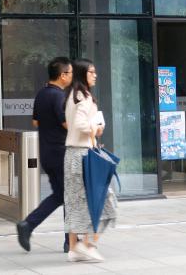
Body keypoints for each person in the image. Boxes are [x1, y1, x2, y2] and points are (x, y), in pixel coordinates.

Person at [16, 57, 73, 253]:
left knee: (60, 195)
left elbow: (35, 122)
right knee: (70, 196)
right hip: (61, 153)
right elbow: (67, 124)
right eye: (70, 73)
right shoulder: (59, 96)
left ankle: (29, 225)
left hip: (47, 152)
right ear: (63, 75)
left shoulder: (41, 94)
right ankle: (70, 241)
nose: (72, 77)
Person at [63, 58, 116, 263]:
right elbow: (81, 125)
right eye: (91, 72)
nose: (95, 75)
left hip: (72, 155)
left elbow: (72, 125)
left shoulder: (71, 95)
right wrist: (97, 128)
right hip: (84, 156)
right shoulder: (84, 97)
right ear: (82, 74)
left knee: (75, 202)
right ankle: (88, 245)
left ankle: (74, 248)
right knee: (104, 199)